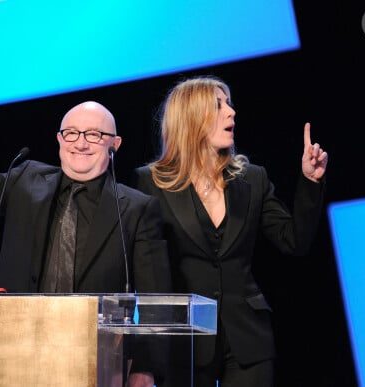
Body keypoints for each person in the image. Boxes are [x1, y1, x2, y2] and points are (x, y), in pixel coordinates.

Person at [0, 73, 171, 387]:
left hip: (97, 360)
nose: (80, 142)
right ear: (59, 139)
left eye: (93, 134)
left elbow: (159, 301)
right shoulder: (26, 182)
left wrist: (144, 369)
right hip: (16, 352)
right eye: (72, 132)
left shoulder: (136, 209)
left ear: (114, 145)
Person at [132, 75, 328, 387]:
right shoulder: (150, 183)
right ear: (191, 118)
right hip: (186, 342)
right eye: (218, 106)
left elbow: (295, 241)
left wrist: (310, 182)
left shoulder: (253, 179)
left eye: (229, 103)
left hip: (248, 339)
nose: (231, 112)